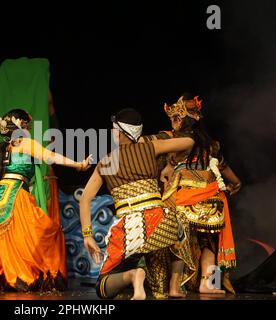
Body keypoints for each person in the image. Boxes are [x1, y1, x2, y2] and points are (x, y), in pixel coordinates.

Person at [79, 108, 196, 300]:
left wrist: (87, 236)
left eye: (113, 129)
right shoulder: (151, 147)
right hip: (163, 223)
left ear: (120, 132)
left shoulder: (106, 162)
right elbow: (189, 142)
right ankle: (174, 287)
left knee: (103, 287)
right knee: (178, 226)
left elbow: (85, 199)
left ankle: (134, 275)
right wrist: (169, 163)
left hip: (131, 230)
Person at [0, 109, 93, 292]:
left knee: (18, 240)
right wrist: (78, 164)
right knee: (50, 232)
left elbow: (16, 173)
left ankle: (10, 274)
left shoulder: (4, 148)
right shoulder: (25, 143)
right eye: (28, 126)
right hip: (16, 198)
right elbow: (50, 157)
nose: (29, 129)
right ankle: (27, 275)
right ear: (21, 126)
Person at [156, 94, 241, 296]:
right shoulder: (210, 145)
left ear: (186, 118)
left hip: (184, 200)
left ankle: (175, 286)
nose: (172, 122)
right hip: (209, 200)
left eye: (176, 118)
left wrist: (166, 175)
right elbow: (228, 172)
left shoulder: (180, 142)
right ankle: (207, 284)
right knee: (208, 242)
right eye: (171, 118)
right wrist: (236, 184)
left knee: (181, 240)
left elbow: (167, 171)